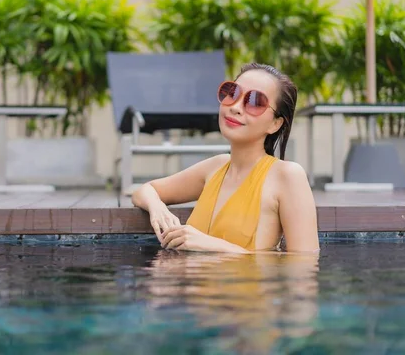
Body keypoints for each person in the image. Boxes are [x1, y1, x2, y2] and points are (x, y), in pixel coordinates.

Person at [131, 63, 320, 254]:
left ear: (275, 124)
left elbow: (304, 263)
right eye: (233, 93)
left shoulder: (286, 176)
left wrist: (215, 246)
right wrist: (157, 207)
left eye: (255, 102)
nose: (236, 107)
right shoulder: (215, 167)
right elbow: (144, 191)